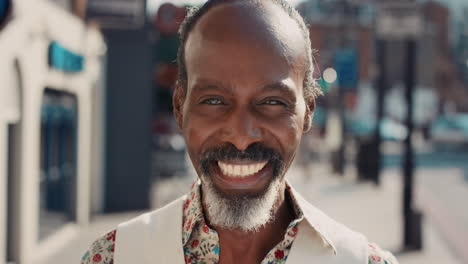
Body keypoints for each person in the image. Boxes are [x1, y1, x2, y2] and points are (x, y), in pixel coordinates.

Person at [81, 0, 399, 263]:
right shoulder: (112, 257)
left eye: (272, 101)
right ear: (180, 108)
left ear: (308, 113)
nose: (241, 135)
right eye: (215, 100)